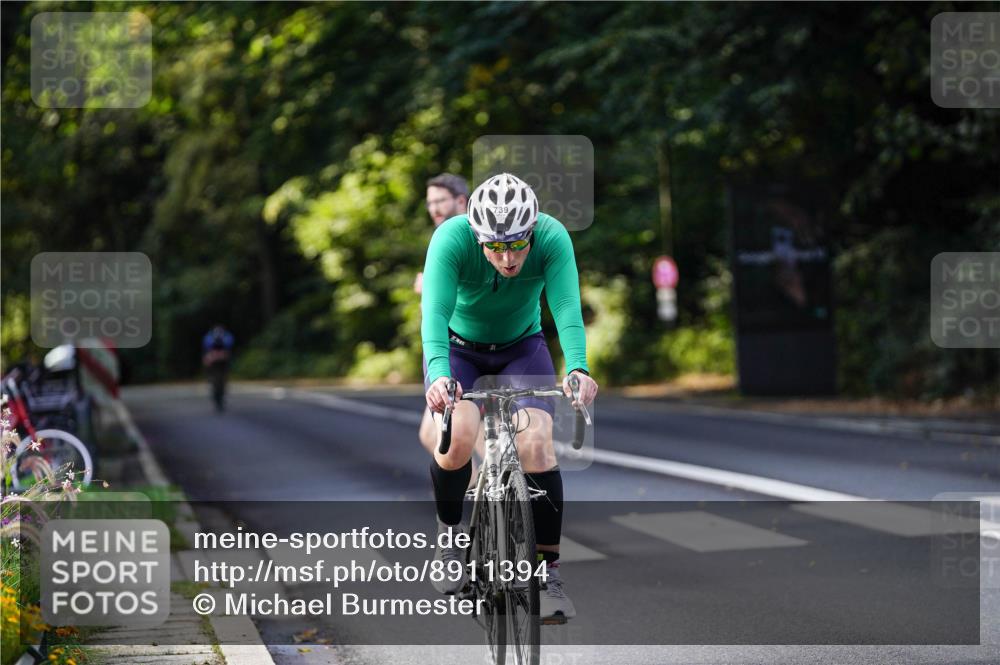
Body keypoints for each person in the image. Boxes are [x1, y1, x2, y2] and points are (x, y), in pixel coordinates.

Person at [421, 173, 598, 624]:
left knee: (537, 444)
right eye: (495, 247)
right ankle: (450, 536)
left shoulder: (552, 237)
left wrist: (578, 368)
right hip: (459, 351)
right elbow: (434, 312)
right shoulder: (451, 239)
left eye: (518, 244)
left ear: (532, 230)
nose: (508, 257)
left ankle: (548, 574)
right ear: (477, 236)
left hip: (522, 348)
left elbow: (566, 307)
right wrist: (439, 376)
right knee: (458, 436)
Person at [417, 174, 469, 456]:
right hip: (448, 343)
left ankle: (507, 478)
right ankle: (486, 482)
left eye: (440, 201)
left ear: (461, 201)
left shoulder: (477, 237)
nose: (434, 208)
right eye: (430, 203)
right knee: (431, 435)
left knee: (457, 436)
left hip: (471, 344)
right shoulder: (441, 238)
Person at [201, 324, 234, 412]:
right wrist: (209, 358)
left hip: (222, 364)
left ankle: (220, 389)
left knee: (223, 378)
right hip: (214, 364)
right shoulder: (209, 339)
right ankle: (210, 380)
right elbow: (206, 353)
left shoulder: (227, 338)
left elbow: (228, 353)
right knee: (213, 376)